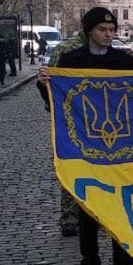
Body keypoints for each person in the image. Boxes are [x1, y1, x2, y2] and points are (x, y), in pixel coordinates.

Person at [38, 7, 133, 265]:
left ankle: (124, 264)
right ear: (88, 31)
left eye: (111, 30)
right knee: (88, 207)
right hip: (85, 145)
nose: (108, 35)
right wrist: (44, 84)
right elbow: (58, 102)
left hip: (121, 145)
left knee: (122, 206)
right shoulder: (72, 60)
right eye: (102, 30)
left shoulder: (125, 61)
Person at [40, 31, 89, 238]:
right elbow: (52, 81)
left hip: (81, 115)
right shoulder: (67, 50)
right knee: (73, 165)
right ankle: (72, 216)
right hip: (73, 115)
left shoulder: (105, 52)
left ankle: (74, 217)